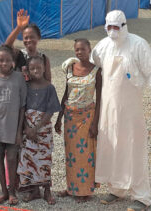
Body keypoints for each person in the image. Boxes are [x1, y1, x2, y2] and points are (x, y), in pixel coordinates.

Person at [91, 10, 151, 211]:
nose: (113, 31)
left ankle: (142, 195)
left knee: (134, 148)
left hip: (131, 110)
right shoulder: (103, 45)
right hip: (109, 109)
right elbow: (91, 61)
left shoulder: (138, 44)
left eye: (117, 27)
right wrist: (75, 63)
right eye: (109, 27)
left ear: (124, 26)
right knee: (112, 146)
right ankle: (117, 188)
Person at [55, 39, 102, 202]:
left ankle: (84, 191)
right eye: (77, 49)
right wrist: (59, 118)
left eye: (83, 49)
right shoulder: (69, 68)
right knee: (71, 155)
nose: (79, 52)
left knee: (85, 154)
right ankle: (71, 188)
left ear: (89, 50)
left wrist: (95, 123)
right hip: (70, 117)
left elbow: (100, 99)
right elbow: (66, 94)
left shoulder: (96, 71)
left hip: (87, 117)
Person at [0, 44, 27, 205]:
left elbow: (22, 106)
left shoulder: (19, 78)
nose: (4, 63)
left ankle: (12, 192)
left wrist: (19, 131)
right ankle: (4, 192)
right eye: (0, 60)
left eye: (8, 60)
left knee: (12, 159)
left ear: (13, 61)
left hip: (13, 129)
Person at [17, 56, 61, 205]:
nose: (36, 70)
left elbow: (50, 111)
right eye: (32, 68)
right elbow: (21, 109)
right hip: (27, 130)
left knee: (44, 160)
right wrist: (27, 128)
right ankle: (34, 191)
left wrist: (36, 128)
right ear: (28, 70)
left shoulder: (49, 87)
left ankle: (47, 190)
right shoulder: (25, 87)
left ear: (44, 68)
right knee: (29, 160)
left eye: (39, 68)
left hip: (43, 130)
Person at [5, 9, 51, 82]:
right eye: (26, 38)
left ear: (38, 38)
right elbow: (7, 47)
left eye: (32, 37)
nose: (29, 40)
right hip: (20, 93)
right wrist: (19, 27)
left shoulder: (44, 59)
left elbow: (48, 81)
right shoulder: (18, 55)